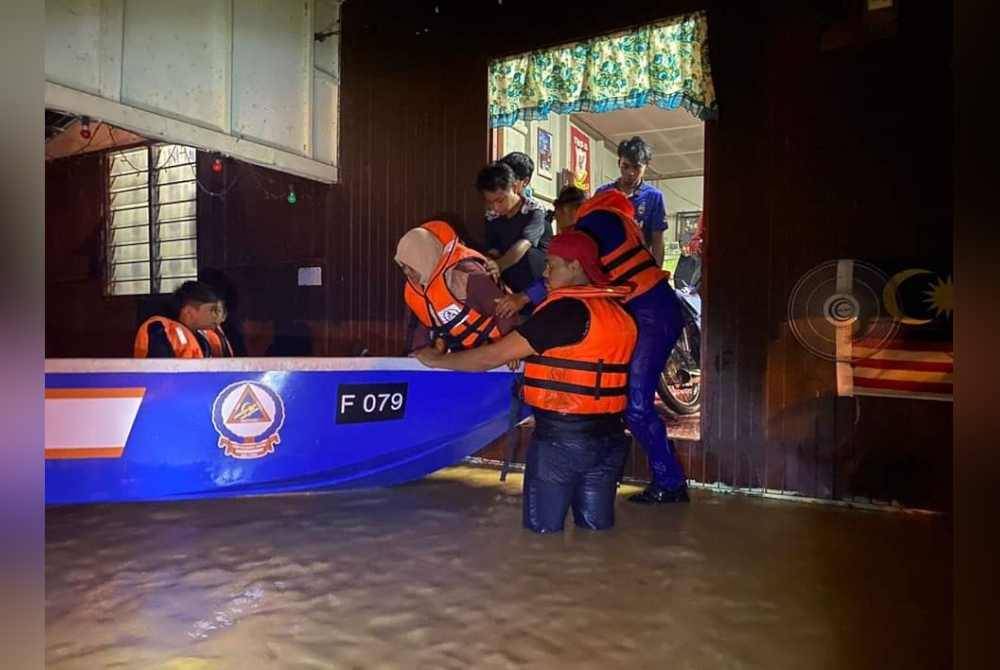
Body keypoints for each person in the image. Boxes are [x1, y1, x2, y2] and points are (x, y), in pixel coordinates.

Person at [416, 231, 637, 533]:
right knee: (595, 532)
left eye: (552, 265)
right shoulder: (618, 312)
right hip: (610, 440)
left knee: (541, 536)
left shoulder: (564, 311)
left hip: (562, 442)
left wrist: (437, 361)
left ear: (575, 266)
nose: (545, 273)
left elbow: (488, 358)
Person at [495, 189, 689, 504]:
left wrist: (522, 297)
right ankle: (606, 475)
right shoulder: (612, 220)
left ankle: (670, 483)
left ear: (571, 210)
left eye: (559, 220)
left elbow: (572, 266)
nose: (561, 230)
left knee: (635, 405)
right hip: (640, 310)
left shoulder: (597, 221)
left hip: (651, 311)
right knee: (614, 395)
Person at [396, 220, 517, 353]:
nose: (407, 273)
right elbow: (415, 332)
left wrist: (509, 349)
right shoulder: (415, 289)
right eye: (403, 267)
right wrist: (417, 354)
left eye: (411, 267)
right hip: (454, 355)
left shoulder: (468, 274)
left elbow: (504, 310)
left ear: (423, 258)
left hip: (493, 351)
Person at [477, 161, 551, 296]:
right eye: (489, 202)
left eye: (500, 200)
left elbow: (524, 243)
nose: (495, 208)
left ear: (515, 187)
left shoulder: (534, 211)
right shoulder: (492, 216)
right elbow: (493, 248)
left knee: (528, 254)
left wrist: (499, 265)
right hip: (510, 286)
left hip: (538, 285)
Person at [596, 136, 668, 267]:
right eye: (625, 166)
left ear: (646, 167)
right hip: (607, 268)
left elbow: (658, 241)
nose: (630, 172)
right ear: (619, 163)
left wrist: (657, 275)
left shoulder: (654, 197)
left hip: (640, 269)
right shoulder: (602, 194)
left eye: (637, 167)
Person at [133, 281, 222, 358]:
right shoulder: (158, 330)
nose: (217, 316)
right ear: (189, 312)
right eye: (213, 310)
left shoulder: (204, 340)